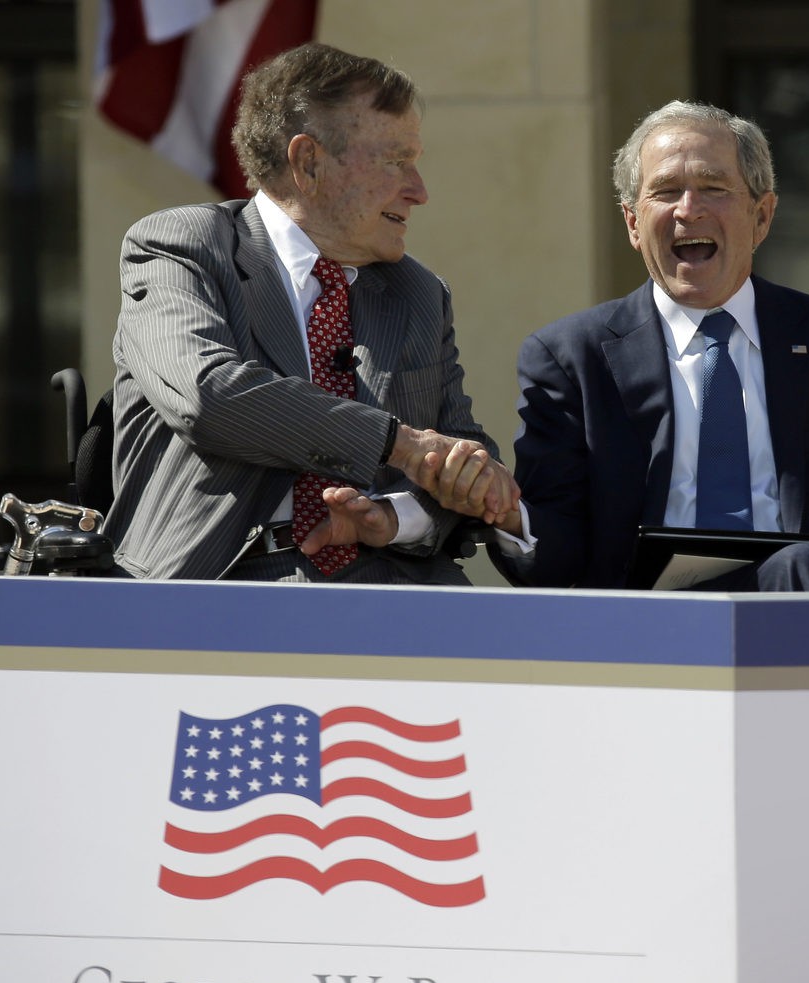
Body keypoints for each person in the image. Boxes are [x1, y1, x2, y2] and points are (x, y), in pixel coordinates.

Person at [490, 99, 809, 591]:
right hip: (651, 627)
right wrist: (508, 518)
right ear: (632, 223)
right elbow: (555, 557)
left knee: (797, 563)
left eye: (713, 189)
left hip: (805, 605)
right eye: (666, 191)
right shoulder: (570, 357)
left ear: (762, 216)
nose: (688, 210)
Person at [105, 43, 516, 585]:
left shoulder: (417, 292)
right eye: (396, 161)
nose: (419, 191)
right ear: (308, 162)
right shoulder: (181, 247)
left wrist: (398, 516)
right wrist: (400, 444)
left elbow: (461, 451)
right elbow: (209, 395)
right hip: (220, 586)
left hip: (395, 588)